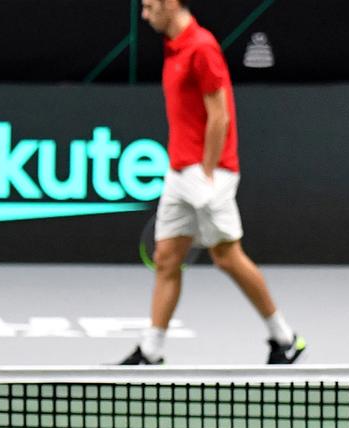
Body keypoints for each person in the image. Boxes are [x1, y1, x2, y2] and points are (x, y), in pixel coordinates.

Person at [121, 0, 304, 365]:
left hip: (208, 173)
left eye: (150, 6)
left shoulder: (202, 47)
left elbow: (219, 116)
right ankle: (151, 351)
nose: (144, 15)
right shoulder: (174, 46)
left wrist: (207, 172)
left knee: (227, 257)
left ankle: (284, 338)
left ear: (171, 3)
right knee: (167, 258)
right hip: (178, 172)